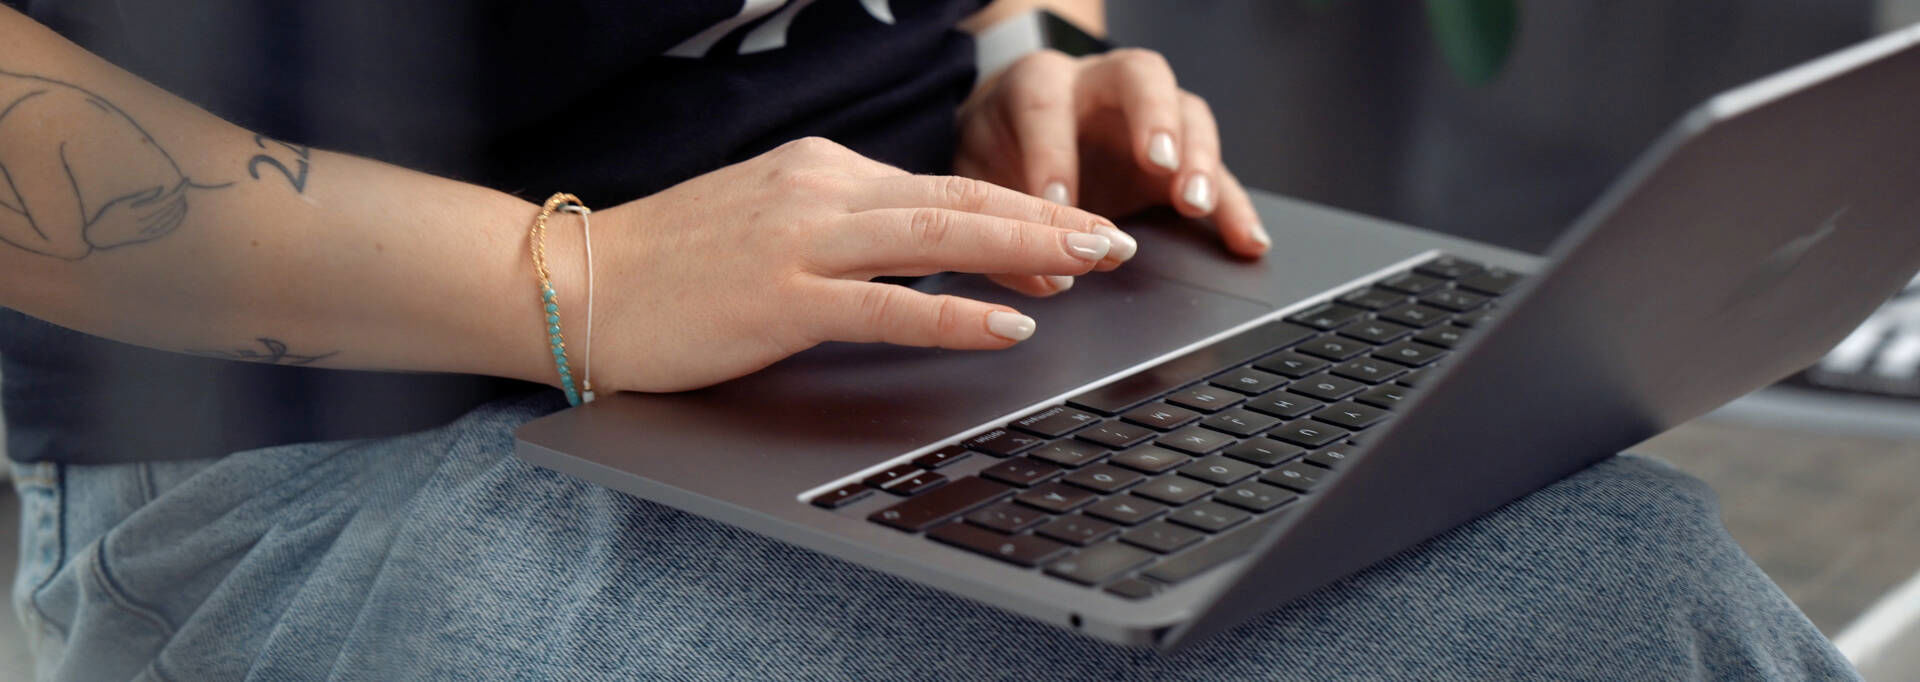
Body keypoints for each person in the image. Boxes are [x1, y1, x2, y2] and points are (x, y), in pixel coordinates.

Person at [0, 1, 1858, 678]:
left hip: (906, 327)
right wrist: (571, 282)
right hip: (337, 431)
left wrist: (1014, 62)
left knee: (1623, 590)